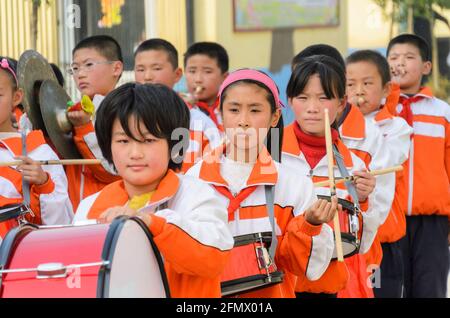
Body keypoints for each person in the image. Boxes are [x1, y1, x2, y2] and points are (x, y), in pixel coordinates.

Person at [73, 83, 234, 298]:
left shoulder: (198, 194)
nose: (135, 153)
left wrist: (151, 223)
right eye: (123, 140)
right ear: (107, 145)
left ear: (175, 145)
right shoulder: (90, 206)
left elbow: (214, 258)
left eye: (148, 140)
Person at [187, 69, 335, 298]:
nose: (243, 121)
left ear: (274, 117)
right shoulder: (194, 181)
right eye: (234, 110)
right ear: (220, 113)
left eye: (255, 110)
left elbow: (310, 268)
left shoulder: (293, 186)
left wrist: (310, 226)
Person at [292, 45, 395, 298]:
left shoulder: (364, 145)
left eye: (323, 95)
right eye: (303, 95)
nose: (313, 107)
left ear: (340, 98)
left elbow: (375, 212)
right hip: (291, 269)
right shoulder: (272, 150)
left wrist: (362, 199)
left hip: (345, 260)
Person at [386, 33, 450, 298]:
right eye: (393, 58)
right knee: (389, 288)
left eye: (409, 57)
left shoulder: (442, 112)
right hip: (389, 219)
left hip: (432, 223)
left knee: (430, 288)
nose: (400, 63)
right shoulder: (380, 111)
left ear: (426, 67)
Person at [346, 49, 413, 297]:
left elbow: (386, 161)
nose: (358, 91)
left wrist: (355, 120)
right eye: (350, 84)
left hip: (385, 236)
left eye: (367, 83)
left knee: (385, 292)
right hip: (351, 237)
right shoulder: (336, 127)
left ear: (386, 89)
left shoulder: (397, 127)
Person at [0, 56, 73, 238]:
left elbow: (62, 226)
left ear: (16, 97)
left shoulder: (38, 152)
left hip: (16, 257)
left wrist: (44, 183)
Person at [134, 38, 221, 172]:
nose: (147, 76)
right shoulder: (127, 119)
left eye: (156, 68)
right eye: (140, 69)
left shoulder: (199, 123)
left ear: (177, 74)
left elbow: (215, 171)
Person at [66, 35, 124, 211]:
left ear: (116, 68)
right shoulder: (73, 111)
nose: (80, 74)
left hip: (107, 213)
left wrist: (84, 128)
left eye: (89, 65)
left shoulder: (126, 111)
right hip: (74, 213)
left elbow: (114, 171)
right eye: (75, 68)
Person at [183, 42, 229, 131]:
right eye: (192, 71)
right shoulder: (178, 107)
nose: (198, 79)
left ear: (224, 77)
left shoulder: (231, 108)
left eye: (207, 71)